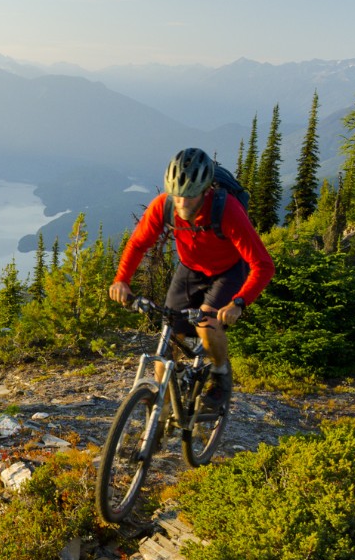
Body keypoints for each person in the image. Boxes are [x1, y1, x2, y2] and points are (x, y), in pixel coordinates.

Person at [109, 147, 274, 411]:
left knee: (206, 322)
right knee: (167, 338)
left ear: (206, 190)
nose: (183, 203)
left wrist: (239, 303)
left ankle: (221, 375)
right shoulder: (164, 205)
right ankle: (162, 412)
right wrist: (122, 280)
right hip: (190, 269)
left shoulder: (227, 210)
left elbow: (263, 265)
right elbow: (138, 244)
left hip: (228, 271)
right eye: (178, 196)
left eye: (190, 195)